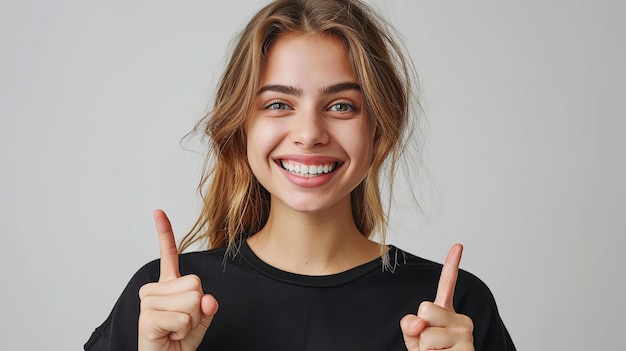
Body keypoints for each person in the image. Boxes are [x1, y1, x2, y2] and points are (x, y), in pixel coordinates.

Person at [85, 0, 516, 350]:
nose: (309, 134)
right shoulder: (160, 303)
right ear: (241, 128)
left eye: (342, 105)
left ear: (378, 129)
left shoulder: (454, 311)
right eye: (278, 104)